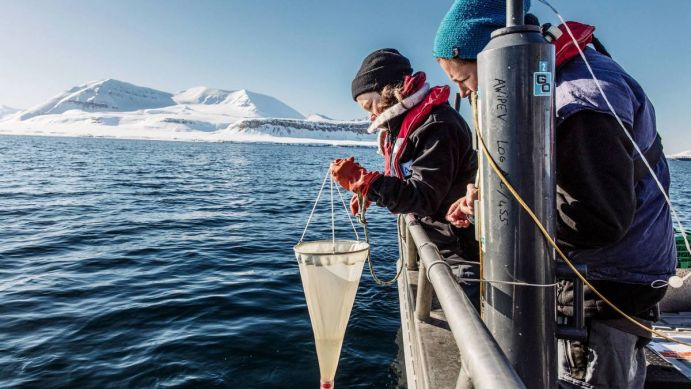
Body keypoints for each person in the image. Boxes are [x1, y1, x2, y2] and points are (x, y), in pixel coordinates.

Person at [433, 1, 677, 388]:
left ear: (493, 55)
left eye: (462, 77)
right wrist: (485, 196)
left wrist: (494, 220)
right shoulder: (552, 82)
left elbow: (594, 218)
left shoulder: (579, 104)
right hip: (606, 275)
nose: (461, 91)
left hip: (604, 286)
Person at [330, 48, 481, 309]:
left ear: (388, 93)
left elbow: (423, 196)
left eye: (369, 106)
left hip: (456, 255)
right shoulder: (411, 126)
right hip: (438, 247)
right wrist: (370, 193)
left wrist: (367, 183)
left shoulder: (437, 126)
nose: (370, 116)